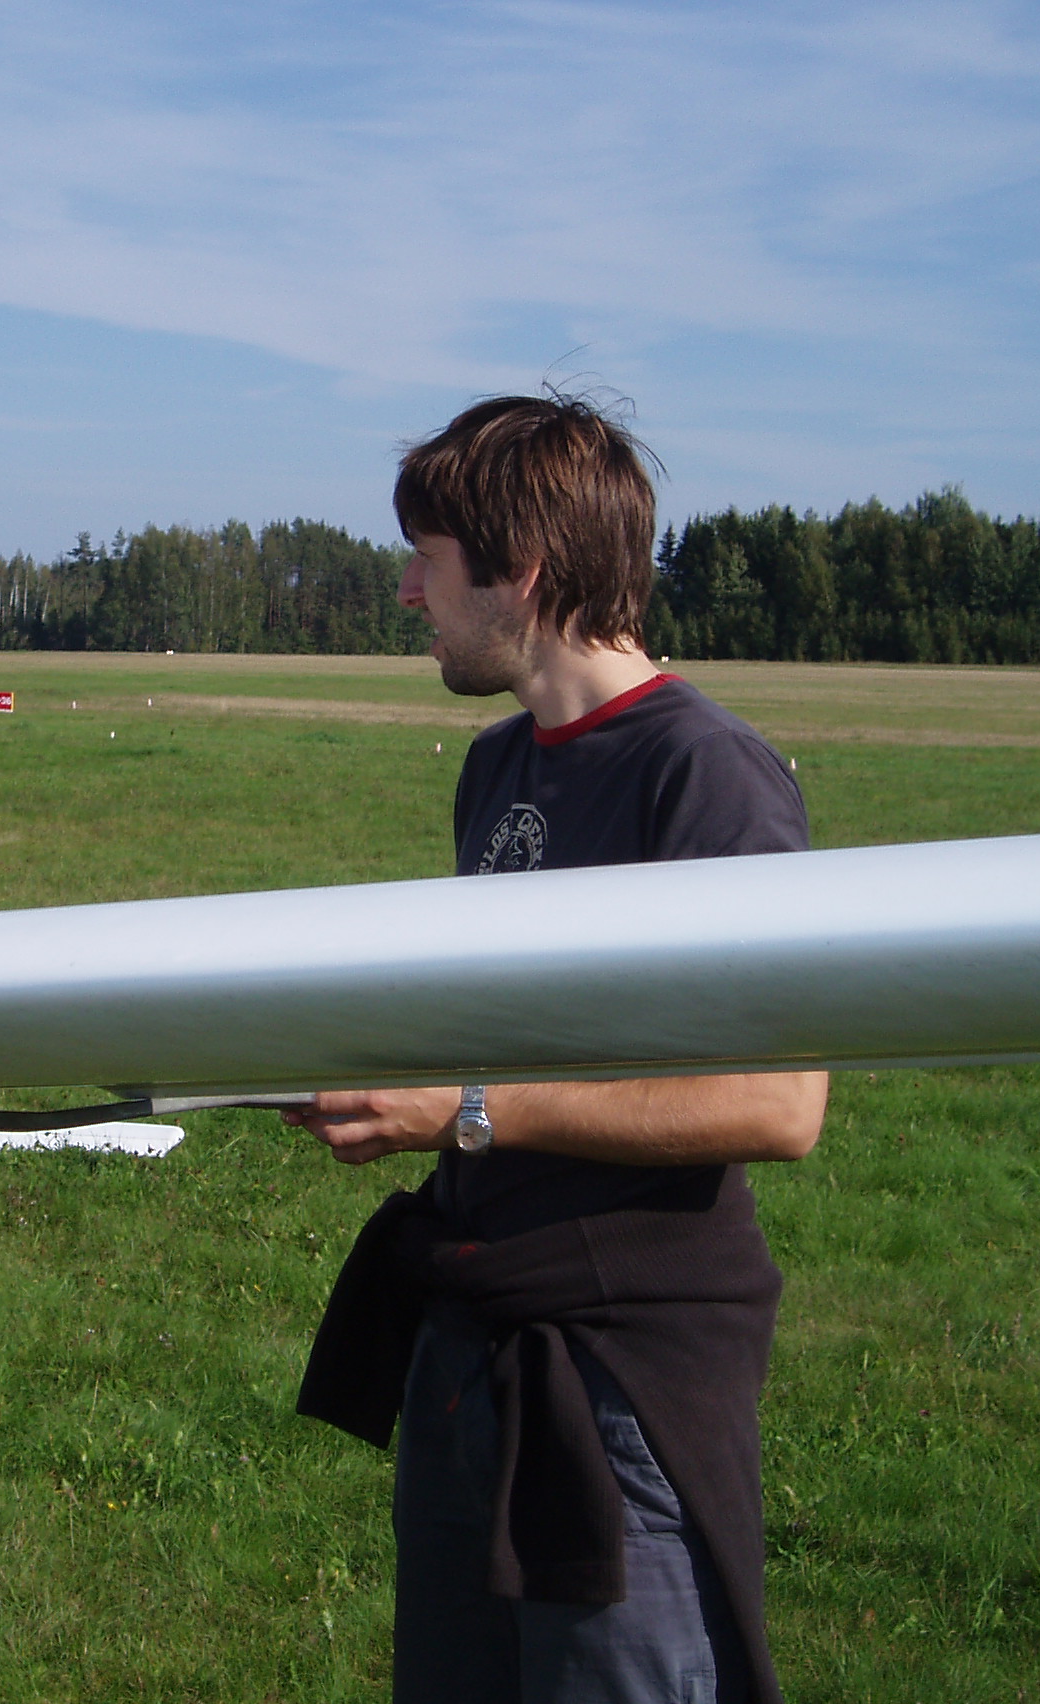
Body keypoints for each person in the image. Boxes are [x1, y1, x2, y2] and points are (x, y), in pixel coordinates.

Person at [285, 394, 827, 1704]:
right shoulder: (496, 769)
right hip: (469, 1341)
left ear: (520, 573)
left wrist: (465, 1112)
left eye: (427, 559)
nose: (407, 592)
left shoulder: (707, 776)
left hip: (619, 1380)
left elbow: (777, 1102)